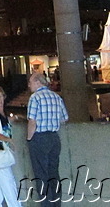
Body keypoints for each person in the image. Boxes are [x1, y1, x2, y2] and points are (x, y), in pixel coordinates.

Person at [26, 72, 68, 207]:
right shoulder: (56, 97)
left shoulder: (35, 98)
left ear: (38, 82)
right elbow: (64, 118)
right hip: (54, 138)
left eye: (30, 82)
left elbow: (32, 121)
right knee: (53, 174)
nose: (29, 85)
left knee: (41, 175)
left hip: (39, 138)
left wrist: (29, 138)